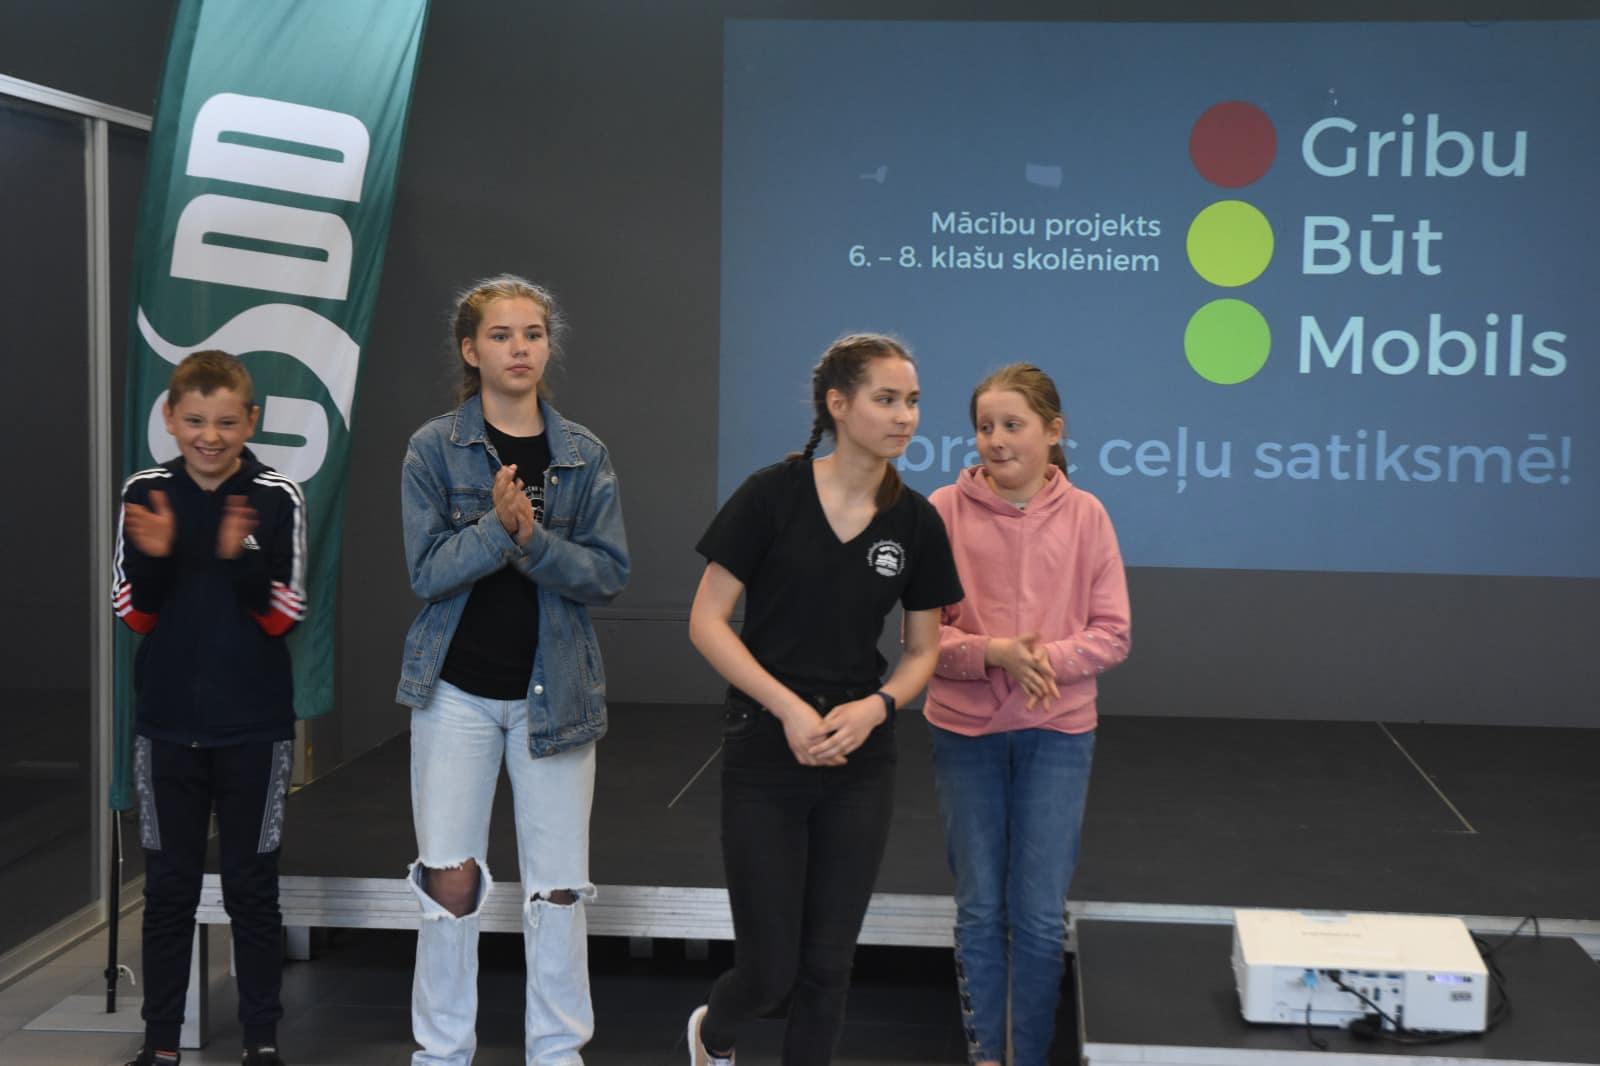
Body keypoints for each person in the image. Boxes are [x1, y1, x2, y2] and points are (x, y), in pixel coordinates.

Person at [685, 334, 964, 1066]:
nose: (905, 416)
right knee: (769, 973)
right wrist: (787, 708)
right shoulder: (771, 495)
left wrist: (878, 707)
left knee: (828, 967)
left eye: (912, 401)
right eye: (886, 399)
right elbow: (707, 621)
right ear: (838, 405)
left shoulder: (916, 521)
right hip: (765, 747)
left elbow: (922, 650)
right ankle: (713, 1033)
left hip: (859, 757)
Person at [396, 275, 629, 1066]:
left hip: (554, 693)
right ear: (471, 350)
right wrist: (499, 530)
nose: (520, 348)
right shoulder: (434, 448)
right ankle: (441, 1053)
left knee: (558, 886)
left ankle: (558, 1052)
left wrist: (531, 540)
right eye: (501, 335)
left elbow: (607, 573)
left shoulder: (584, 454)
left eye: (533, 333)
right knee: (449, 880)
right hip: (455, 692)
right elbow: (427, 572)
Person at [924, 363, 1131, 1066]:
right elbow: (923, 638)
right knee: (981, 909)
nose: (996, 439)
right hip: (964, 736)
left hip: (1057, 736)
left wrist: (1042, 662)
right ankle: (988, 1055)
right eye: (985, 426)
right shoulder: (942, 511)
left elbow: (1113, 633)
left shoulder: (1088, 515)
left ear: (1053, 431)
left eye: (1013, 424)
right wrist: (993, 653)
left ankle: (1030, 1056)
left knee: (1039, 916)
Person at [114, 350, 308, 1066]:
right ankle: (161, 1044)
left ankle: (261, 1043)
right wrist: (156, 557)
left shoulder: (277, 495)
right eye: (195, 421)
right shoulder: (145, 492)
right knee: (168, 891)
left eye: (226, 422)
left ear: (250, 421)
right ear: (170, 418)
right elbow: (132, 613)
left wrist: (241, 558)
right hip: (166, 730)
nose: (210, 436)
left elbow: (285, 615)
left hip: (255, 730)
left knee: (252, 890)